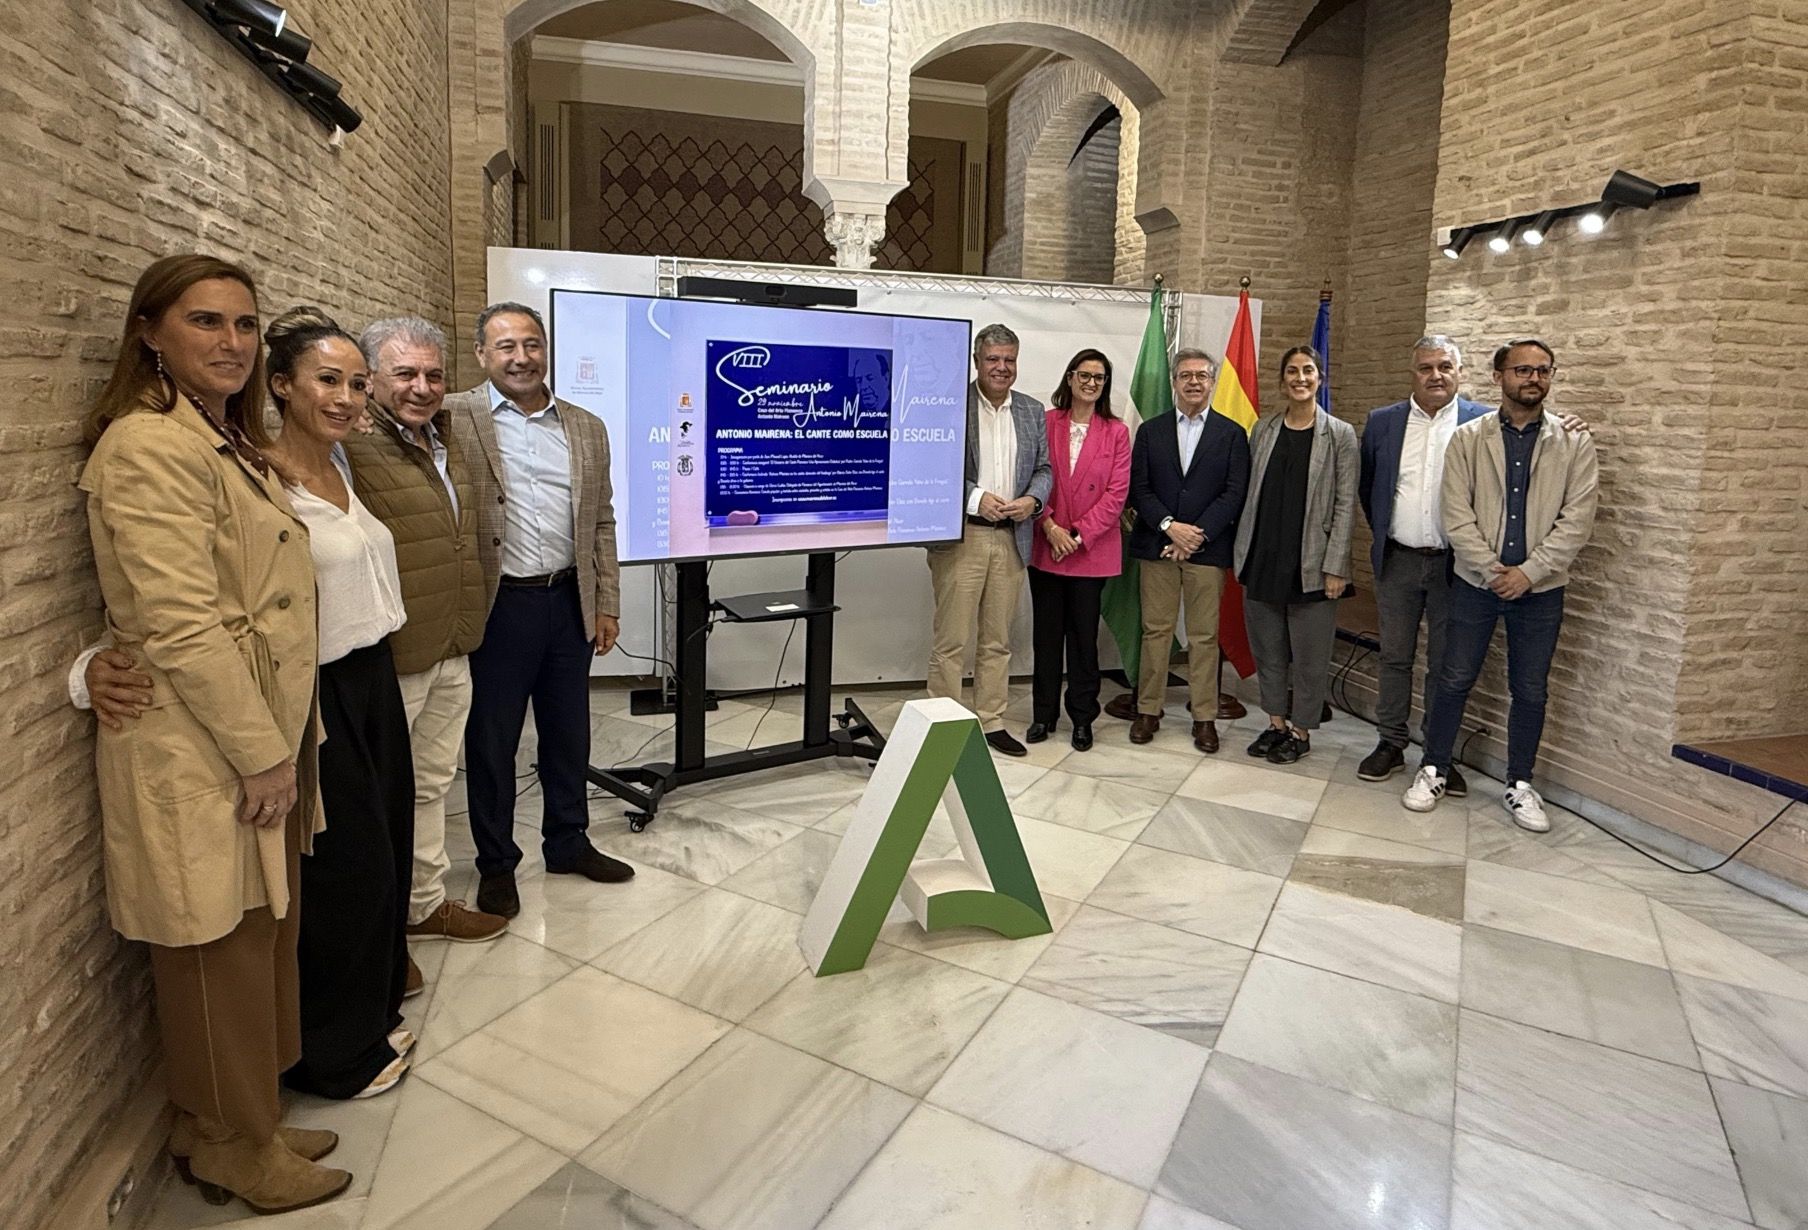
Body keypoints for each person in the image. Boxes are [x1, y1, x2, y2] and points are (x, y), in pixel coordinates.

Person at [76, 255, 349, 1213]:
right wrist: (262, 751)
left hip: (249, 730)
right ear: (150, 332)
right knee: (212, 945)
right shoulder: (148, 447)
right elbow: (179, 623)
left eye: (243, 324)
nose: (231, 343)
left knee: (256, 933)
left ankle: (232, 1118)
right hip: (202, 744)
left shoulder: (217, 441)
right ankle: (234, 1144)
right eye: (206, 323)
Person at [259, 308, 414, 1102]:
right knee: (347, 875)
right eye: (329, 380)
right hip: (317, 695)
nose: (349, 397)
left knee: (387, 850)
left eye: (357, 383)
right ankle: (332, 1054)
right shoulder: (262, 480)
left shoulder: (342, 466)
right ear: (281, 384)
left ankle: (373, 1015)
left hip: (373, 676)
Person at [444, 302, 630, 920]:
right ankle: (497, 863)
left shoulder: (585, 426)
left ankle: (568, 842)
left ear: (546, 349)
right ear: (480, 355)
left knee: (568, 732)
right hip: (499, 607)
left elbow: (600, 519)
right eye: (505, 347)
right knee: (493, 741)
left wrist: (606, 601)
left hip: (567, 600)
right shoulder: (453, 418)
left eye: (531, 344)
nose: (520, 357)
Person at [344, 317, 507, 993]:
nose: (421, 388)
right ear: (373, 379)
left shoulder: (444, 441)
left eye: (433, 375)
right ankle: (382, 939)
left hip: (452, 644)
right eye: (404, 374)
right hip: (397, 654)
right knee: (382, 799)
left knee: (433, 785)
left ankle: (424, 907)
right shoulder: (351, 449)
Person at [1404, 339, 1598, 830]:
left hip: (1542, 590)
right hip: (1475, 583)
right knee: (1454, 678)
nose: (1532, 379)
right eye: (1522, 370)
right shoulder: (1468, 439)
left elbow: (1577, 520)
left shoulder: (1574, 442)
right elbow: (1456, 513)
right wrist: (1493, 570)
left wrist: (1528, 573)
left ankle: (1521, 783)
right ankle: (1434, 768)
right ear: (1498, 377)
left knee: (1530, 688)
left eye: (1542, 370)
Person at [1354, 336, 1489, 793]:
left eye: (1445, 366)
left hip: (1459, 567)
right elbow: (1369, 487)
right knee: (1394, 657)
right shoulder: (1382, 423)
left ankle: (1438, 755)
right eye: (1426, 367)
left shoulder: (1484, 421)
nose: (1436, 375)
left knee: (1448, 665)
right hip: (1400, 560)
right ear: (1412, 373)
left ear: (1459, 372)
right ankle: (1390, 742)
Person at [925, 323, 1053, 757]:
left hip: (1013, 539)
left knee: (998, 640)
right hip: (964, 537)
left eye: (1009, 360)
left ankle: (991, 721)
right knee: (952, 641)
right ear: (977, 362)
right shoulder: (948, 405)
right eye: (993, 359)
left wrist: (1033, 501)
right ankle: (944, 727)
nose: (1002, 368)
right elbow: (931, 467)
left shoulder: (1032, 411)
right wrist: (976, 499)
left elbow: (1045, 469)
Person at [1233, 345, 1358, 765]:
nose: (1300, 378)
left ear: (1320, 378)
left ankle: (1301, 731)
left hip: (1312, 566)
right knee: (1267, 650)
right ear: (1282, 379)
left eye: (1308, 370)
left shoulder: (1340, 435)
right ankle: (1275, 723)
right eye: (1292, 371)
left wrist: (1336, 566)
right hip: (1263, 556)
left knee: (1308, 656)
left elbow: (1345, 504)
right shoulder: (1264, 430)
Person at [1125, 348, 1252, 752]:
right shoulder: (1151, 431)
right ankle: (1148, 709)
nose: (1194, 382)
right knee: (1156, 632)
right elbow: (1139, 488)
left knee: (1203, 637)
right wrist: (1169, 528)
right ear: (1174, 383)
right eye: (1185, 375)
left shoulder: (1232, 434)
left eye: (1201, 375)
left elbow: (1234, 493)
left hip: (1207, 550)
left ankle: (1204, 717)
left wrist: (1195, 535)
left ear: (1212, 382)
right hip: (1157, 546)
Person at [1026, 348, 1131, 752]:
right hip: (1046, 545)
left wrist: (1077, 536)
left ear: (1105, 385)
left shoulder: (1117, 431)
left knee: (1084, 641)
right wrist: (1050, 526)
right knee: (1046, 637)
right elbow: (1031, 474)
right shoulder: (1046, 422)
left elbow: (1116, 494)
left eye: (1099, 378)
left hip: (1090, 552)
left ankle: (1082, 718)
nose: (1091, 383)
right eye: (1084, 375)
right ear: (1069, 378)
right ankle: (1043, 715)